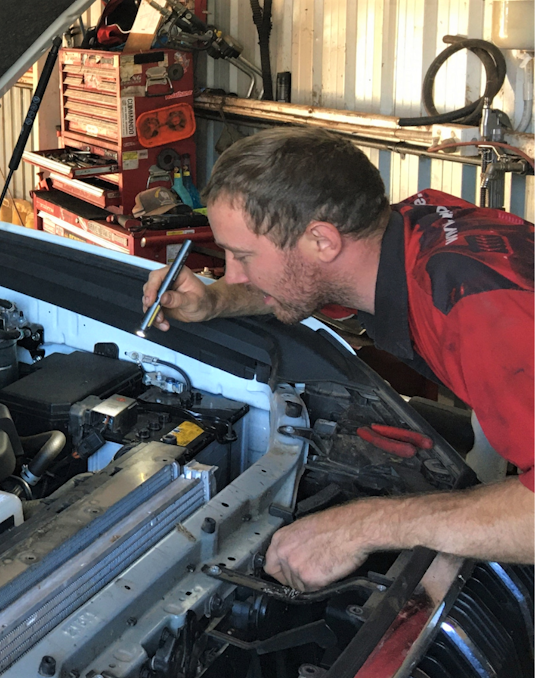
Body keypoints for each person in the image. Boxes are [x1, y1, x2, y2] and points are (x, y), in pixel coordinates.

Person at [140, 127, 534, 592]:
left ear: (323, 241)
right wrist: (213, 301)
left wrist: (363, 527)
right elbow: (305, 281)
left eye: (242, 255)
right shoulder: (412, 229)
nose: (232, 273)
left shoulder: (477, 311)